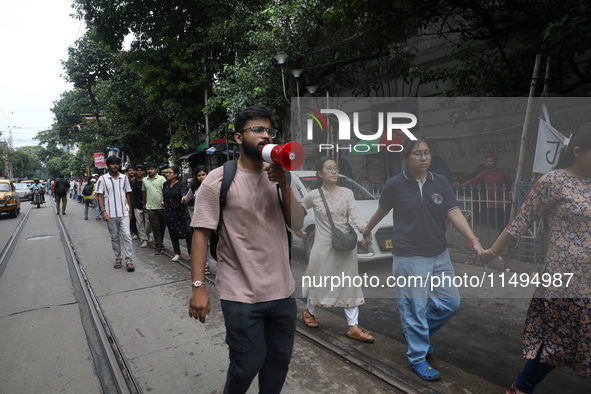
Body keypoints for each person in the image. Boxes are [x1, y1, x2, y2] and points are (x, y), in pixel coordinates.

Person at [188, 105, 306, 394]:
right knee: (246, 367)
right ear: (239, 138)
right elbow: (201, 234)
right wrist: (198, 287)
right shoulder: (218, 180)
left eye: (269, 131)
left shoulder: (283, 176)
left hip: (281, 293)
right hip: (240, 295)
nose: (265, 136)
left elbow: (299, 223)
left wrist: (284, 187)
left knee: (278, 366)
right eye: (257, 130)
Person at [480, 123, 591, 394]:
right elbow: (520, 222)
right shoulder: (553, 182)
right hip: (565, 281)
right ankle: (520, 388)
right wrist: (491, 252)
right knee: (556, 341)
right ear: (577, 152)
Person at [363, 136, 483, 381]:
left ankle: (418, 335)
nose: (423, 158)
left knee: (450, 303)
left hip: (439, 254)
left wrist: (474, 241)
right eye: (417, 154)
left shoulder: (441, 182)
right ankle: (417, 357)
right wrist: (367, 230)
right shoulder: (395, 184)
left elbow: (454, 212)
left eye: (427, 153)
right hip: (409, 255)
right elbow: (381, 211)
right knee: (414, 309)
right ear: (405, 158)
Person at [299, 156, 374, 343]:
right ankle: (309, 311)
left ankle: (353, 327)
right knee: (320, 282)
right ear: (320, 173)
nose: (334, 171)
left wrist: (365, 232)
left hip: (345, 249)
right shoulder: (313, 195)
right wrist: (297, 229)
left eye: (336, 168)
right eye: (329, 168)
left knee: (349, 284)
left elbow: (356, 217)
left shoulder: (347, 193)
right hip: (322, 248)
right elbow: (298, 211)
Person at [96, 155, 135, 272]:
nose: (115, 166)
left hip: (124, 212)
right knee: (115, 237)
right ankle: (118, 258)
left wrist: (130, 209)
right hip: (110, 213)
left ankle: (129, 261)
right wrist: (103, 211)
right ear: (108, 165)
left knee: (127, 236)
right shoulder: (102, 179)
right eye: (112, 164)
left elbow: (128, 193)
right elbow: (99, 195)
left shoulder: (124, 178)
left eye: (117, 163)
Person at [455, 154, 513, 233]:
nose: (488, 163)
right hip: (491, 202)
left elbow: (509, 183)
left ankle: (504, 237)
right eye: (487, 161)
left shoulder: (503, 173)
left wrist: (504, 192)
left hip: (502, 202)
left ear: (496, 162)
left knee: (504, 221)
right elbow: (474, 180)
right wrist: (462, 185)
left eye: (491, 161)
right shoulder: (484, 173)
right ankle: (503, 235)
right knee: (492, 221)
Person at [182, 165, 211, 273]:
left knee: (219, 243)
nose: (201, 177)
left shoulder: (213, 185)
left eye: (203, 174)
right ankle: (206, 265)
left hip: (214, 216)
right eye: (199, 175)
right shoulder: (194, 187)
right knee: (204, 243)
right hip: (201, 218)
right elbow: (187, 198)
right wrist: (183, 199)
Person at [162, 165, 192, 262]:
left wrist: (184, 198)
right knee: (172, 232)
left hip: (181, 211)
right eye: (167, 172)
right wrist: (163, 201)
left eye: (170, 172)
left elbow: (184, 193)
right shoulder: (165, 184)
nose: (167, 174)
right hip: (169, 212)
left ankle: (191, 253)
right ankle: (177, 253)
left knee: (188, 231)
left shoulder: (181, 184)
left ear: (176, 174)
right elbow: (164, 194)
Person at [142, 163, 167, 255]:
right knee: (155, 227)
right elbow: (144, 192)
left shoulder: (162, 179)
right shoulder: (145, 180)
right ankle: (158, 245)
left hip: (161, 207)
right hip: (150, 207)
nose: (150, 171)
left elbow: (165, 191)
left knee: (162, 226)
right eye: (148, 169)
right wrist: (144, 203)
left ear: (156, 170)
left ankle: (160, 242)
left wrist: (164, 200)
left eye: (152, 169)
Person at [131, 164, 152, 248]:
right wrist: (132, 203)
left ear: (144, 171)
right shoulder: (132, 181)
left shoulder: (147, 180)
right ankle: (144, 239)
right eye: (138, 170)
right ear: (135, 171)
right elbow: (131, 193)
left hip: (148, 204)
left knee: (149, 223)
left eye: (141, 170)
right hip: (136, 204)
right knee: (139, 223)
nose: (139, 172)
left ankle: (148, 233)